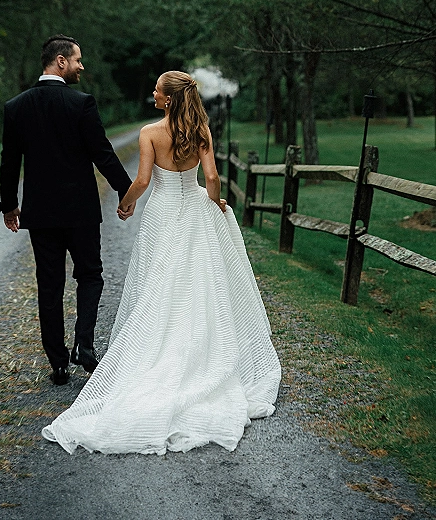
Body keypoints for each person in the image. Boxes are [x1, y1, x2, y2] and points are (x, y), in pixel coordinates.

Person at [41, 70, 281, 454]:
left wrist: (125, 202)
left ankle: (158, 354)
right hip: (194, 209)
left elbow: (143, 181)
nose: (152, 93)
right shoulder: (200, 130)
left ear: (168, 99)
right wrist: (214, 202)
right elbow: (213, 176)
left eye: (156, 89)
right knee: (200, 283)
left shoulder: (150, 133)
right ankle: (201, 353)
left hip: (163, 213)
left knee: (159, 285)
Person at [0, 35, 132, 386]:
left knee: (49, 284)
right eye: (77, 60)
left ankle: (58, 364)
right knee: (89, 274)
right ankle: (83, 344)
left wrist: (9, 205)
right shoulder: (81, 104)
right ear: (60, 61)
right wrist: (125, 190)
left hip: (40, 212)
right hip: (80, 210)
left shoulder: (16, 107)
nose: (81, 66)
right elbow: (102, 153)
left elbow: (9, 161)